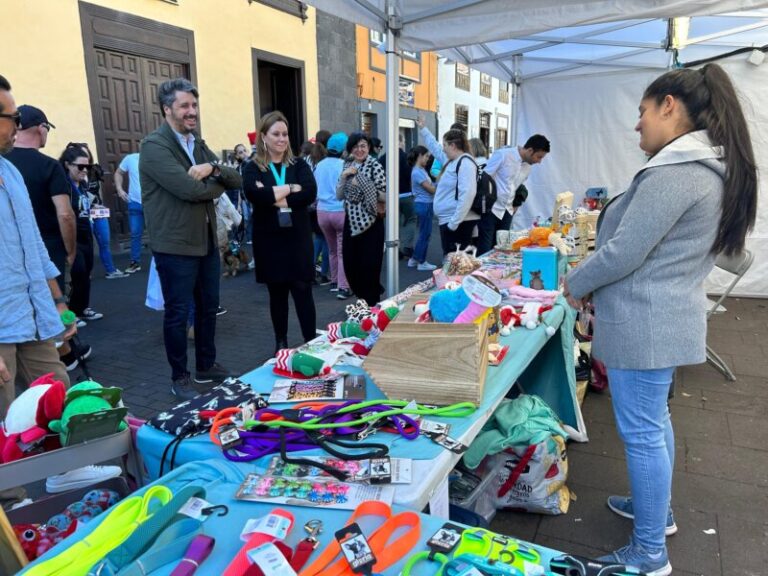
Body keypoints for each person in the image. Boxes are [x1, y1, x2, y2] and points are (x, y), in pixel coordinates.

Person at [564, 64, 757, 576]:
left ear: (669, 105)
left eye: (643, 111)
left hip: (646, 323)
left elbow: (625, 251)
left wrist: (574, 284)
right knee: (654, 424)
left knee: (643, 431)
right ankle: (658, 514)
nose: (638, 125)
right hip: (659, 319)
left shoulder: (678, 172)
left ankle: (649, 551)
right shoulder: (699, 168)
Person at [140, 77, 241, 399]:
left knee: (208, 307)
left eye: (194, 105)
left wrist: (212, 168)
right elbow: (190, 190)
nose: (191, 111)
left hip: (206, 241)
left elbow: (235, 178)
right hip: (175, 245)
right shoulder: (154, 146)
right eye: (184, 105)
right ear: (167, 109)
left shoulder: (196, 143)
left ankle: (206, 364)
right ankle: (180, 376)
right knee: (178, 312)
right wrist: (217, 183)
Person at [0, 74, 72, 416]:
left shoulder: (10, 171)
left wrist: (57, 302)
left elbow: (34, 248)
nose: (17, 125)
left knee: (58, 396)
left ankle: (69, 469)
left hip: (30, 314)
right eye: (11, 118)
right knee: (6, 418)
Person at [243, 111, 318, 355]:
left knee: (303, 291)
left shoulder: (299, 165)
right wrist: (288, 189)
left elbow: (309, 193)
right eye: (276, 134)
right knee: (277, 294)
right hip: (270, 241)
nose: (282, 139)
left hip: (297, 239)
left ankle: (312, 341)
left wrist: (272, 194)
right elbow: (255, 195)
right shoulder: (253, 167)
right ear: (263, 136)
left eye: (285, 134)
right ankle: (281, 343)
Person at [4, 105, 75, 290]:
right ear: (41, 128)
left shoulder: (4, 164)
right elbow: (65, 214)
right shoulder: (50, 166)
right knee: (54, 306)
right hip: (49, 249)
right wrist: (70, 251)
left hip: (10, 251)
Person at [336, 132, 387, 306]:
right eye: (356, 146)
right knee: (351, 266)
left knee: (369, 269)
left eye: (363, 145)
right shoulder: (347, 165)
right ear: (350, 148)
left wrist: (364, 184)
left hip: (372, 223)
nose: (360, 149)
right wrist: (344, 177)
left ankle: (372, 307)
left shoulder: (375, 166)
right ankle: (363, 300)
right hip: (350, 222)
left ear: (369, 147)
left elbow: (386, 196)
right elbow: (339, 195)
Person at [417, 117, 478, 255]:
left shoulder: (465, 163)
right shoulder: (453, 161)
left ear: (453, 146)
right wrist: (423, 129)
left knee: (457, 265)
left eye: (445, 145)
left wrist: (453, 224)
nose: (443, 149)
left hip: (457, 223)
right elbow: (435, 148)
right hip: (451, 221)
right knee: (452, 263)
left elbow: (468, 194)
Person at [480, 134, 550, 254]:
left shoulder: (527, 167)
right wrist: (486, 202)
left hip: (507, 211)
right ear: (530, 150)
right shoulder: (503, 155)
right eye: (539, 157)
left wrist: (516, 203)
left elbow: (516, 186)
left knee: (502, 249)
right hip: (491, 209)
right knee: (485, 248)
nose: (539, 161)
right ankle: (480, 273)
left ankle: (498, 272)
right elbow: (484, 177)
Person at [60, 144, 104, 327]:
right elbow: (64, 213)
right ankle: (68, 316)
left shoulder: (83, 184)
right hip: (71, 236)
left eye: (88, 167)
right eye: (80, 166)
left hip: (86, 233)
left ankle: (82, 308)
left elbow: (85, 207)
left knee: (86, 273)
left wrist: (96, 209)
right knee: (73, 276)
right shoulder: (62, 185)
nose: (85, 170)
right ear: (67, 165)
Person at [78, 144, 127, 280]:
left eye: (86, 155)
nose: (84, 158)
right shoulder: (72, 173)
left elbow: (97, 190)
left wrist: (97, 204)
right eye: (80, 155)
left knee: (104, 241)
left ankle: (110, 270)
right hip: (83, 213)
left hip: (98, 211)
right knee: (86, 244)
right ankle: (85, 274)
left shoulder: (94, 170)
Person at [315, 132, 352, 299]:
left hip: (322, 212)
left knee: (332, 250)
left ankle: (335, 281)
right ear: (344, 149)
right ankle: (344, 288)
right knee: (343, 250)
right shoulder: (344, 166)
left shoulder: (319, 165)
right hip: (340, 211)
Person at [379, 133, 416, 260]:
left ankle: (397, 249)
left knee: (394, 224)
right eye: (404, 140)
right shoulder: (407, 158)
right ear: (400, 141)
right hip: (406, 195)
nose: (404, 143)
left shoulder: (383, 158)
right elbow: (412, 177)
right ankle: (408, 246)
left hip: (389, 197)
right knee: (411, 219)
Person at [407, 145, 437, 271]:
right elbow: (431, 189)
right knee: (425, 234)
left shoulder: (420, 170)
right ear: (419, 156)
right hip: (424, 204)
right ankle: (421, 261)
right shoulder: (418, 172)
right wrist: (441, 185)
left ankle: (414, 259)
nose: (428, 159)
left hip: (424, 204)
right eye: (426, 156)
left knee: (424, 233)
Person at [114, 151, 143, 273]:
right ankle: (135, 262)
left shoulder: (157, 158)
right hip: (135, 203)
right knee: (135, 233)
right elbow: (118, 173)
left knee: (157, 233)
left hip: (153, 203)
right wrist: (119, 190)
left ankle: (160, 261)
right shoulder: (131, 159)